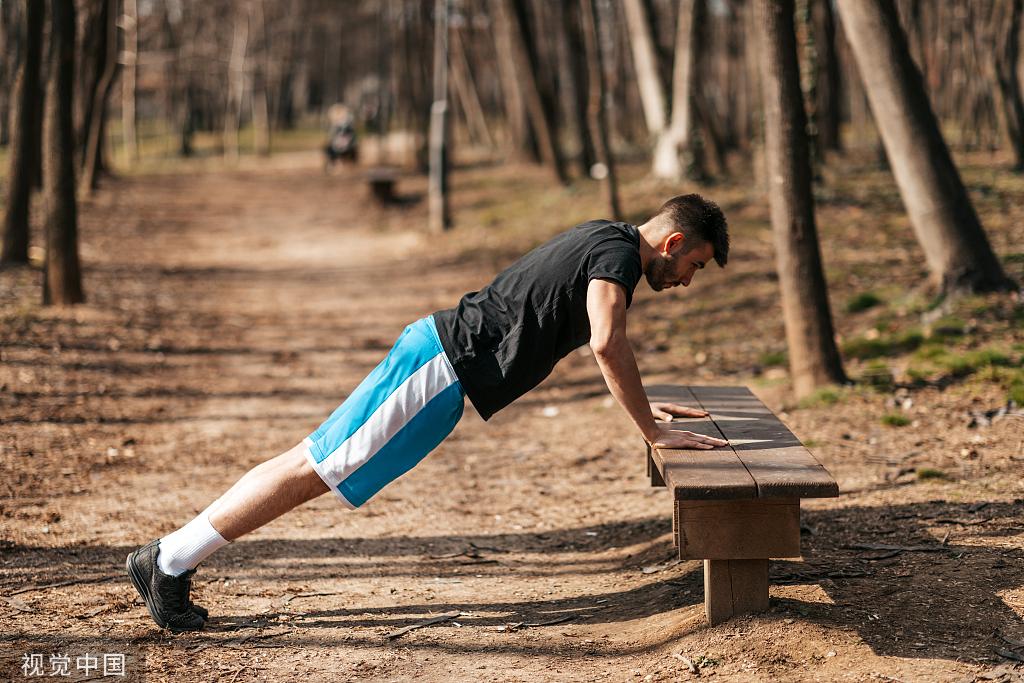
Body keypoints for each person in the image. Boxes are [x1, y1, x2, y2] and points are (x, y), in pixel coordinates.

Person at [125, 193, 731, 631]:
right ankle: (170, 560)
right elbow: (606, 340)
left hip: (441, 370)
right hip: (438, 365)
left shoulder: (611, 238)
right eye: (693, 265)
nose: (686, 279)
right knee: (314, 467)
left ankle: (173, 557)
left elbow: (601, 338)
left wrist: (649, 408)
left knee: (313, 463)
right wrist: (651, 431)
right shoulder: (619, 258)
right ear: (674, 243)